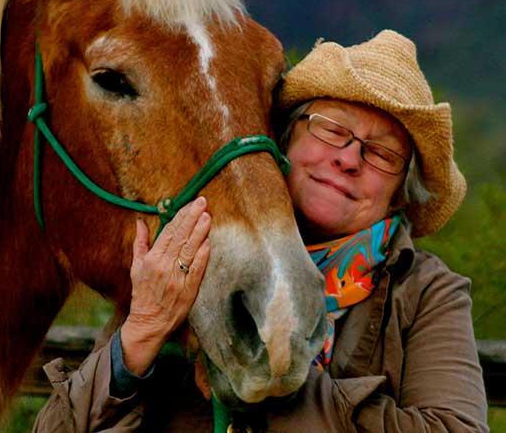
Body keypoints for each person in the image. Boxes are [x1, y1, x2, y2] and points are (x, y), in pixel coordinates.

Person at [32, 30, 489, 432]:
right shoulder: (190, 253)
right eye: (331, 130)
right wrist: (141, 335)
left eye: (382, 155)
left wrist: (280, 372)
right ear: (286, 139)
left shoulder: (427, 292)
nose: (349, 159)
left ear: (397, 194)